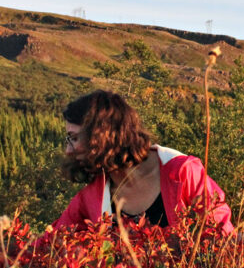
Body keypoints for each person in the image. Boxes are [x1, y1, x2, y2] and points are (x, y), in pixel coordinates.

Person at [52, 90, 234, 234]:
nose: (68, 151)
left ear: (103, 134)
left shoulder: (182, 172)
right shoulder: (91, 196)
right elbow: (49, 244)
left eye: (74, 138)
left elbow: (222, 237)